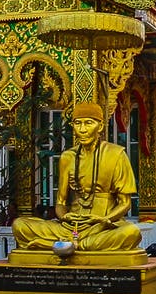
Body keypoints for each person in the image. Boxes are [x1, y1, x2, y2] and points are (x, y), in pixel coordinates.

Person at [13, 102, 141, 253]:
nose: (82, 130)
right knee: (19, 225)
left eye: (88, 123)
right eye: (77, 123)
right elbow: (60, 202)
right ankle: (75, 244)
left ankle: (68, 245)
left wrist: (104, 219)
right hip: (70, 227)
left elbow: (125, 203)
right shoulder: (68, 157)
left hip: (101, 226)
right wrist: (66, 217)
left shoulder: (116, 154)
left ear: (100, 126)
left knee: (131, 232)